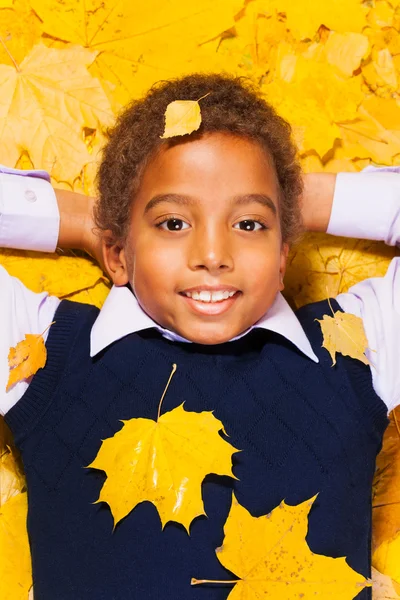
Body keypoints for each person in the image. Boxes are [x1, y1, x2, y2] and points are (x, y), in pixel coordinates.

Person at [0, 73, 399, 600]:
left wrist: (297, 196)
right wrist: (81, 220)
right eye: (172, 223)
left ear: (285, 258)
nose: (213, 254)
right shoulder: (43, 350)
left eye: (250, 225)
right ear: (119, 253)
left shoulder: (356, 347)